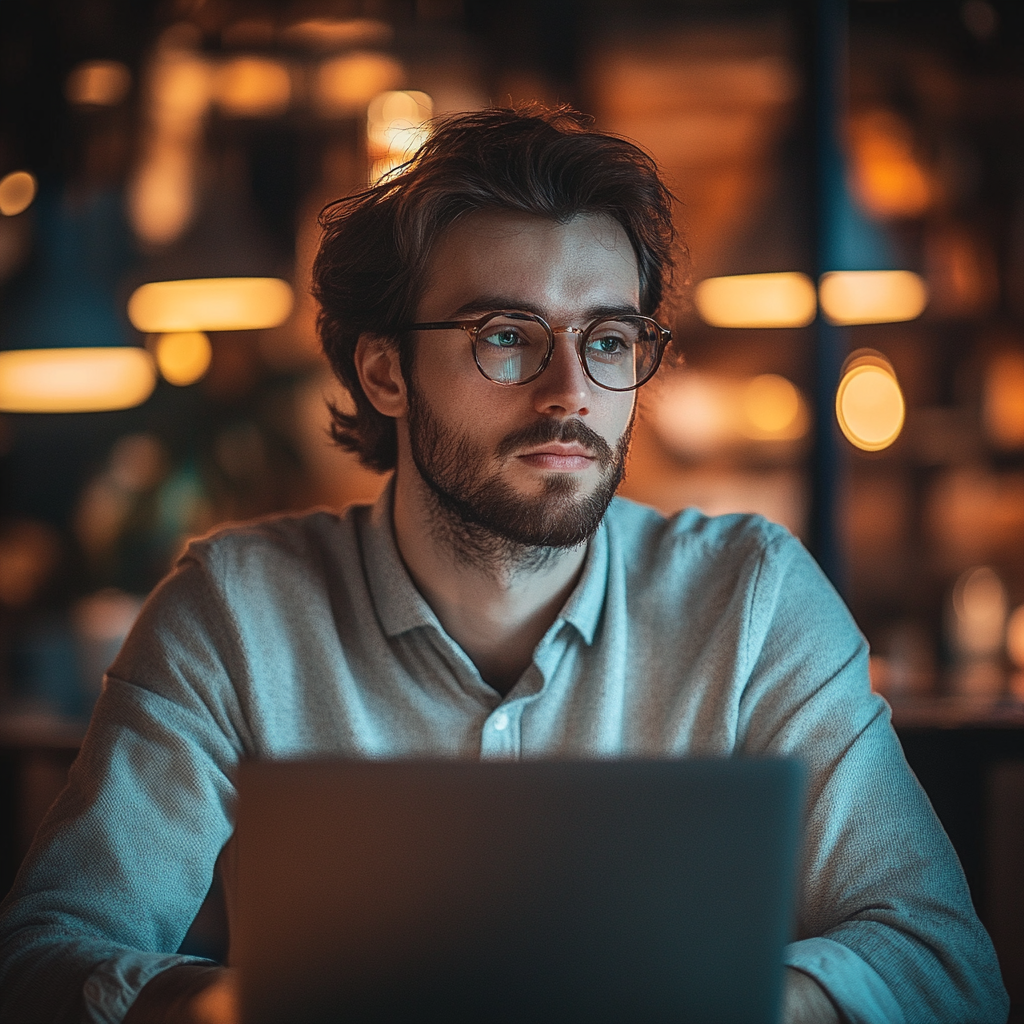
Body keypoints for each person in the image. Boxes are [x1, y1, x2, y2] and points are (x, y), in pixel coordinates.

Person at [0, 106, 1008, 1024]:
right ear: (384, 370)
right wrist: (247, 1008)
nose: (570, 389)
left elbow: (943, 967)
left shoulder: (751, 599)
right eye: (503, 336)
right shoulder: (234, 611)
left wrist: (724, 1001)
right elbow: (40, 963)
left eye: (608, 337)